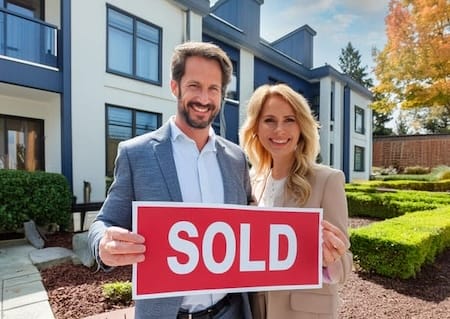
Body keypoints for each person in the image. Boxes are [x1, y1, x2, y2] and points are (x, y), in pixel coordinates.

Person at [88, 41, 254, 319]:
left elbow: (252, 221)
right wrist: (102, 243)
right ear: (175, 86)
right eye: (194, 86)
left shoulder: (236, 158)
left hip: (231, 311)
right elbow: (103, 222)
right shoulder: (136, 154)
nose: (204, 98)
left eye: (213, 88)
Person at [240, 83, 353, 319]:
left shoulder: (327, 180)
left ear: (301, 126)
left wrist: (328, 260)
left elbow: (344, 266)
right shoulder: (251, 181)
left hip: (304, 312)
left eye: (289, 119)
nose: (279, 130)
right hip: (258, 307)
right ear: (256, 128)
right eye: (269, 120)